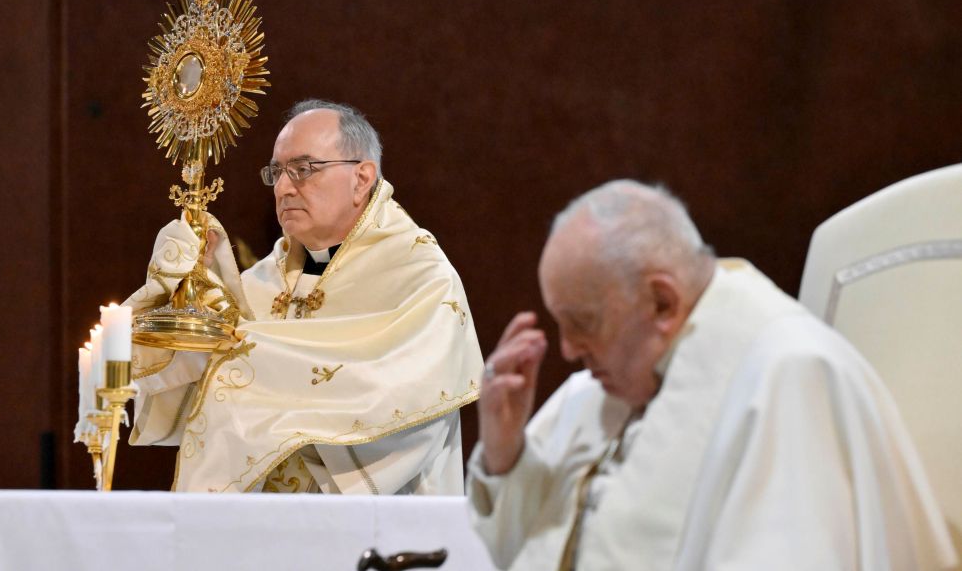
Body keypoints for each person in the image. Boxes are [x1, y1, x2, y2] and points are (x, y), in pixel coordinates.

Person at [468, 180, 957, 570]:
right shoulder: (595, 395)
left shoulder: (789, 381)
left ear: (662, 302)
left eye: (583, 323)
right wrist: (506, 455)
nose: (569, 349)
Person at [126, 99, 484, 494]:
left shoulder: (420, 276)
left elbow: (410, 406)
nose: (283, 187)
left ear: (362, 178)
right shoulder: (262, 281)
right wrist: (185, 293)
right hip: (260, 522)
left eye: (303, 169)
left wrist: (256, 363)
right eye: (277, 172)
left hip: (370, 518)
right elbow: (192, 396)